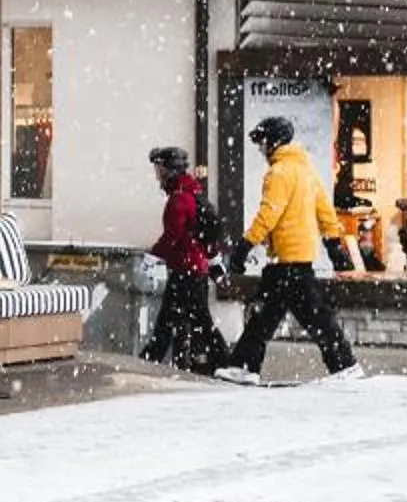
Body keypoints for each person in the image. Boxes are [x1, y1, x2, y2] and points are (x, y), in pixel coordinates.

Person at [218, 117, 367, 385]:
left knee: (288, 317)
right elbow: (326, 212)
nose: (261, 149)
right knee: (274, 316)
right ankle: (245, 366)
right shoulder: (307, 170)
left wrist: (244, 246)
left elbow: (268, 214)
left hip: (286, 260)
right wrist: (334, 246)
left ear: (273, 142)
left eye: (262, 143)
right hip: (299, 258)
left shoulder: (279, 173)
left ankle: (344, 365)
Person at [141, 146, 229, 376]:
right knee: (185, 321)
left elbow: (173, 235)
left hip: (186, 270)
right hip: (194, 270)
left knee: (179, 321)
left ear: (170, 171)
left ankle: (226, 361)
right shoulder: (194, 193)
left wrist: (153, 256)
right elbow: (204, 235)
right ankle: (178, 362)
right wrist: (213, 261)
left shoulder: (179, 199)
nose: (157, 176)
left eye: (159, 170)